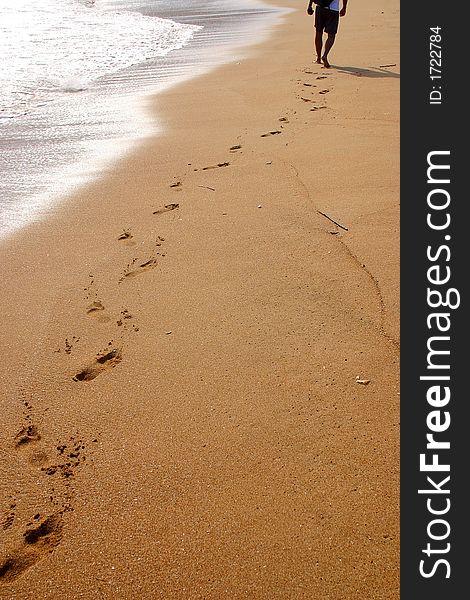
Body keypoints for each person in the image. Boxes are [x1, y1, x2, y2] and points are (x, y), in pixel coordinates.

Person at [307, 0, 348, 68]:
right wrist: (344, 7)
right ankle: (325, 55)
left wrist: (310, 5)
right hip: (333, 10)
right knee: (331, 35)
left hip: (320, 8)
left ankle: (318, 58)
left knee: (318, 33)